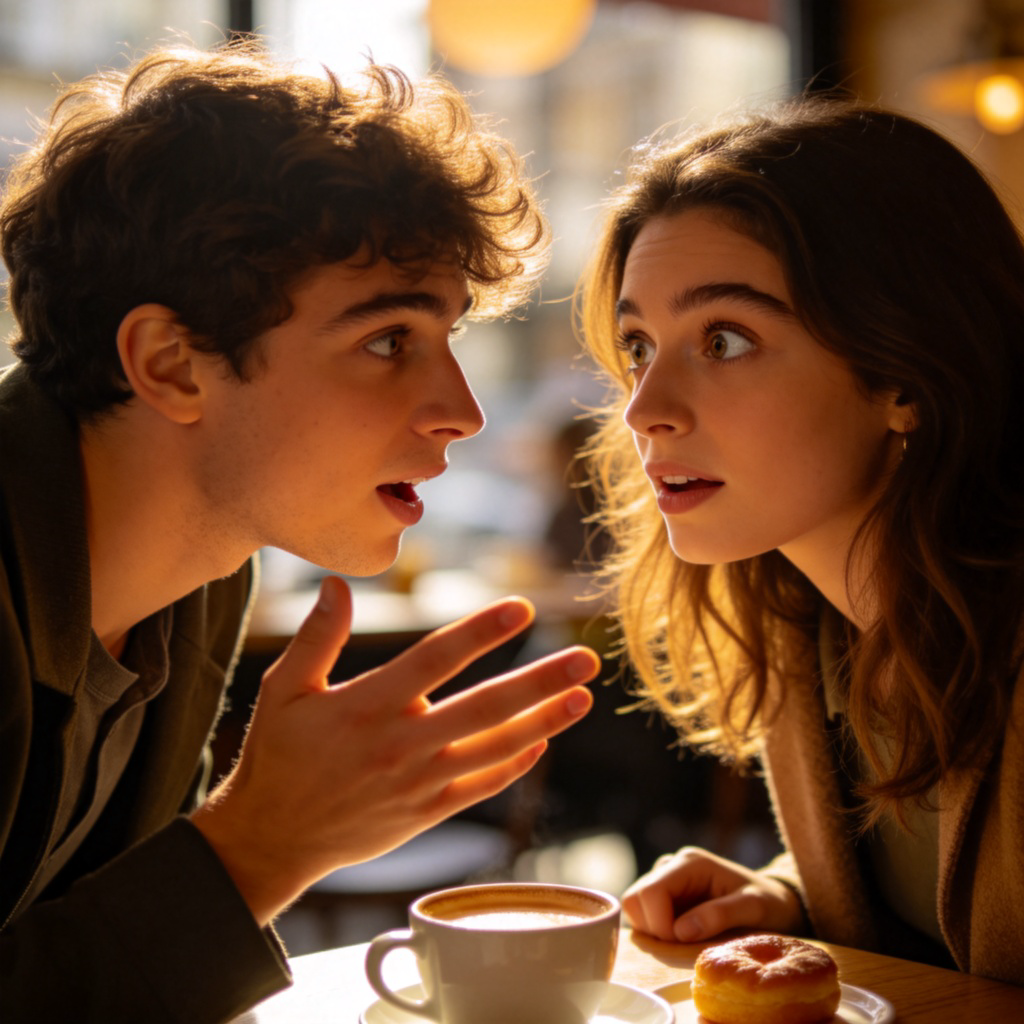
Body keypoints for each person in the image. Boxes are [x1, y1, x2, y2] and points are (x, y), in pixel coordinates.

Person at [0, 40, 601, 1021]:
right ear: (171, 363)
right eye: (386, 340)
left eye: (448, 338)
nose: (461, 410)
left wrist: (267, 844)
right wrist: (262, 843)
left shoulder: (197, 573)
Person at [579, 94, 1024, 985]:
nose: (644, 408)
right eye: (637, 345)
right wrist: (791, 897)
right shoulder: (806, 629)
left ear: (902, 372)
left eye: (725, 338)